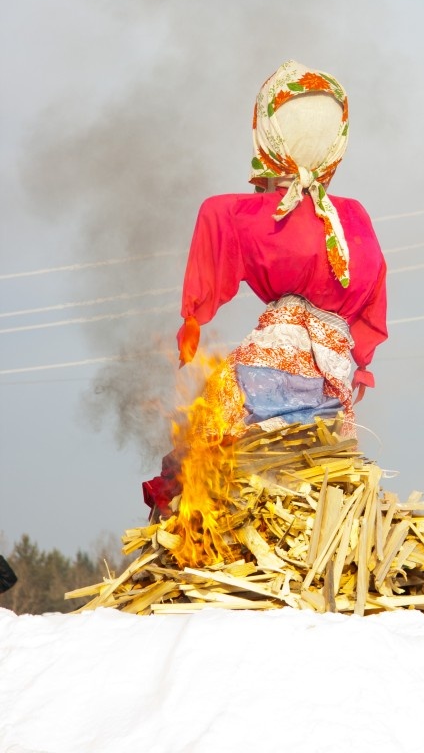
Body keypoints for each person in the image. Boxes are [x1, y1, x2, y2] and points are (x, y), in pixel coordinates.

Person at [143, 60, 388, 512]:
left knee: (210, 440)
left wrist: (193, 315)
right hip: (333, 369)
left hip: (274, 364)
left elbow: (215, 221)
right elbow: (373, 302)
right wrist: (360, 359)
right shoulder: (355, 216)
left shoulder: (246, 213)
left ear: (268, 136)